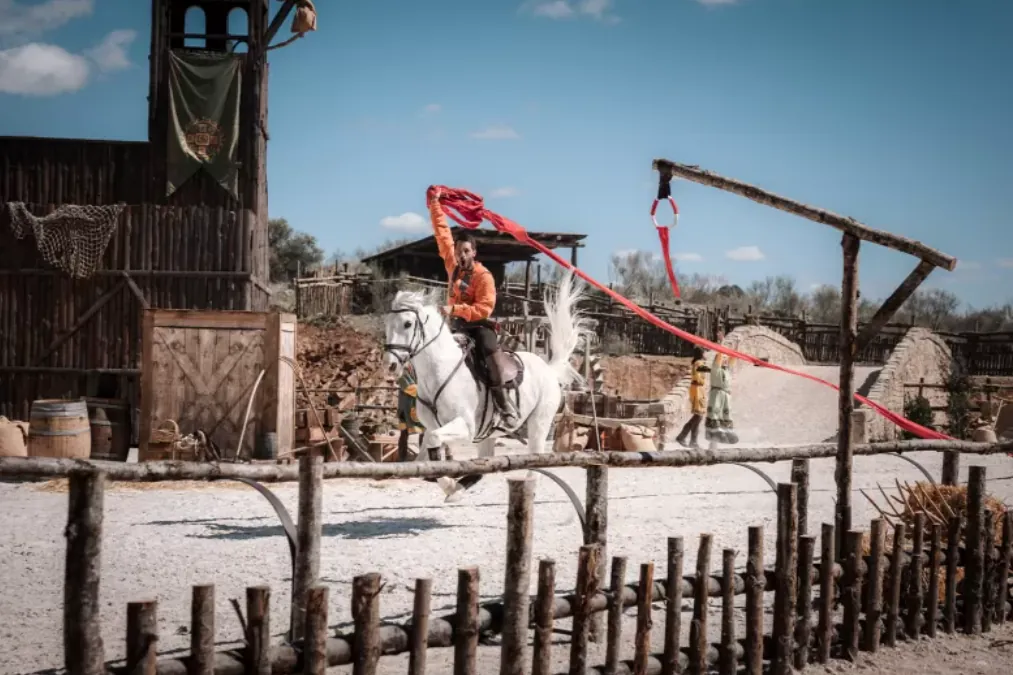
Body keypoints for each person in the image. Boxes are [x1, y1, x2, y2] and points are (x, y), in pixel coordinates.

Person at [427, 187, 521, 426]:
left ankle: (503, 404)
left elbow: (485, 309)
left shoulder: (483, 276)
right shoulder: (452, 266)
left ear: (474, 253)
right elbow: (442, 233)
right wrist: (435, 205)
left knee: (488, 352)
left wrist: (455, 310)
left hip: (479, 326)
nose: (461, 255)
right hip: (456, 326)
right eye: (458, 251)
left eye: (466, 251)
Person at [705, 331, 738, 445]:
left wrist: (737, 344)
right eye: (723, 358)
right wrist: (722, 342)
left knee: (726, 413)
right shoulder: (716, 368)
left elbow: (733, 357)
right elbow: (720, 354)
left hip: (726, 394)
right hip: (717, 393)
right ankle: (713, 433)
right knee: (715, 411)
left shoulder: (726, 369)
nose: (725, 360)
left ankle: (726, 432)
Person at [675, 346, 710, 449]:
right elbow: (707, 370)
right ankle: (683, 436)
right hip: (697, 390)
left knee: (698, 417)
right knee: (698, 416)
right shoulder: (699, 363)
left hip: (699, 390)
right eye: (704, 352)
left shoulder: (698, 363)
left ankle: (692, 441)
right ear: (701, 354)